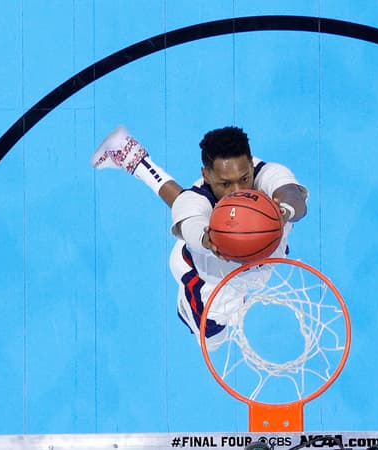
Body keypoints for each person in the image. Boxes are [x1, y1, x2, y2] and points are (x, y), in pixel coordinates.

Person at [91, 125, 308, 348]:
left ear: (251, 164)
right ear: (206, 175)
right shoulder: (195, 198)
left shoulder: (269, 173)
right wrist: (210, 240)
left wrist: (282, 212)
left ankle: (129, 154)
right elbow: (190, 224)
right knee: (213, 340)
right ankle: (187, 304)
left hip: (254, 263)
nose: (236, 191)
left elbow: (293, 195)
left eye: (243, 179)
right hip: (205, 271)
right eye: (224, 184)